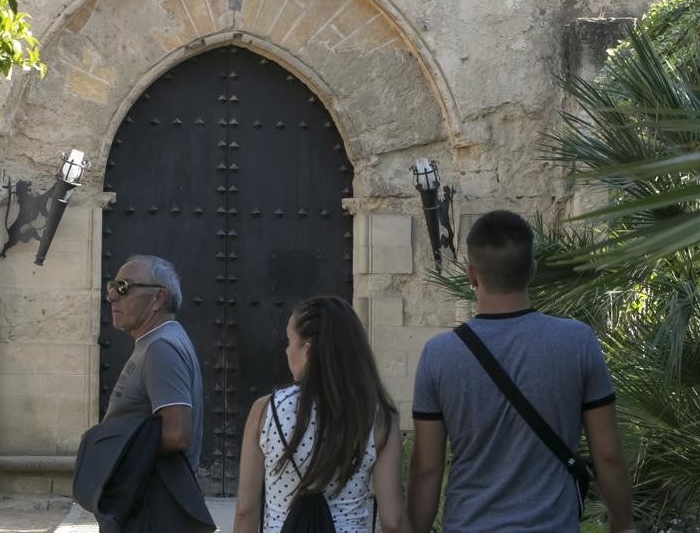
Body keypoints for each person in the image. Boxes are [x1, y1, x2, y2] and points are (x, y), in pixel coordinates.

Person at [406, 210, 636, 533]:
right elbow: (608, 456)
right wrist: (622, 524)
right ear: (532, 270)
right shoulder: (577, 342)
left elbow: (426, 469)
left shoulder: (438, 355)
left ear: (472, 275)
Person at [234, 296, 413, 533]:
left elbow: (246, 510)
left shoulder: (266, 411)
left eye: (290, 342)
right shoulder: (376, 416)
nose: (287, 352)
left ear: (307, 350)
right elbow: (393, 521)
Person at [101, 254, 205, 468]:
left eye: (123, 287)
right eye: (111, 286)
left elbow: (177, 435)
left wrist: (116, 456)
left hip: (150, 496)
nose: (111, 296)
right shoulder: (158, 341)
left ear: (158, 297)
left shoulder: (161, 347)